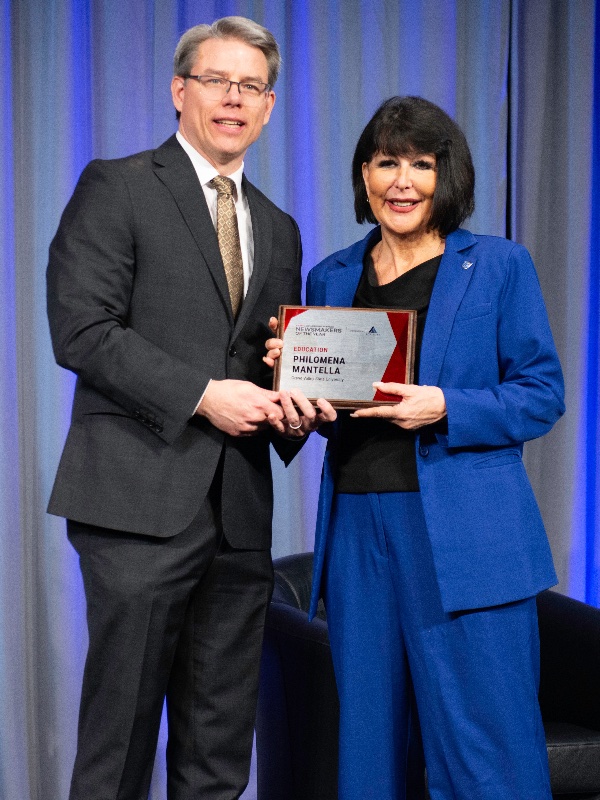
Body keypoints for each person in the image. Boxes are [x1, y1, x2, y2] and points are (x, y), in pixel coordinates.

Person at [46, 16, 332, 800]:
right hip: (137, 506)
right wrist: (205, 396)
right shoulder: (119, 185)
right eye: (217, 81)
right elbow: (82, 331)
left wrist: (294, 407)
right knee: (119, 752)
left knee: (217, 759)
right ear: (180, 91)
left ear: (269, 106)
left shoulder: (279, 227)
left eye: (251, 86)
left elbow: (272, 361)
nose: (234, 99)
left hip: (239, 520)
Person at [265, 96, 565, 799]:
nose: (402, 180)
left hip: (467, 540)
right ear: (364, 174)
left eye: (420, 164)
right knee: (366, 753)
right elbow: (334, 409)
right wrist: (292, 388)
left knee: (486, 752)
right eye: (386, 161)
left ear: (446, 175)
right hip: (358, 537)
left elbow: (541, 393)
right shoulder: (332, 277)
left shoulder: (497, 266)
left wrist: (446, 406)